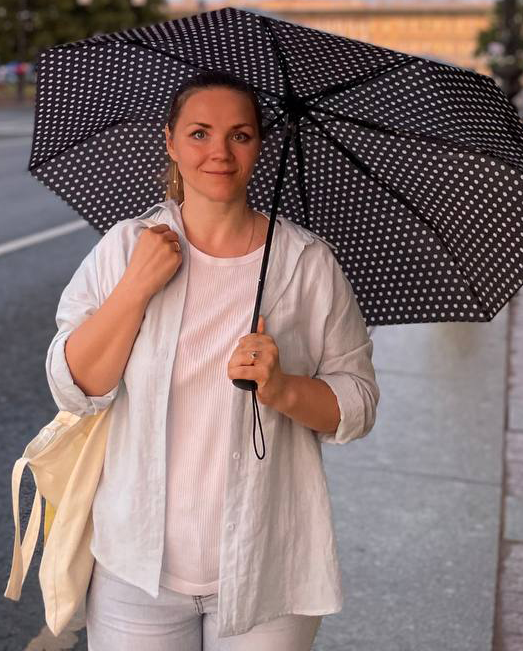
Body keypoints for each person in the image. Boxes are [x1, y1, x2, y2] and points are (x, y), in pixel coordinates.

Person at [45, 70, 379, 649]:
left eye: (240, 135)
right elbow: (74, 387)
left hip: (269, 568)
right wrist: (135, 289)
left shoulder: (306, 263)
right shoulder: (127, 247)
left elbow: (359, 403)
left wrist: (283, 389)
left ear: (259, 145)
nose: (219, 152)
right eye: (200, 133)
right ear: (171, 142)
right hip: (135, 570)